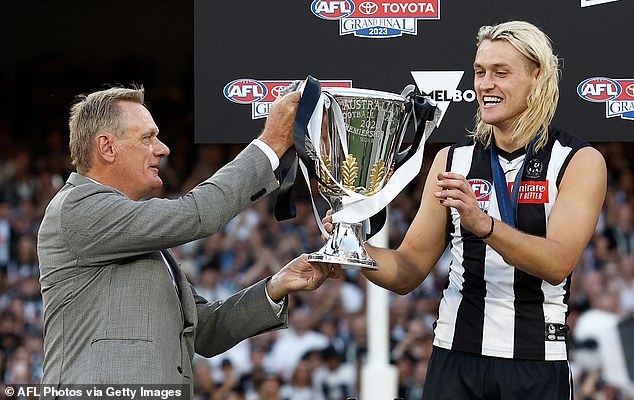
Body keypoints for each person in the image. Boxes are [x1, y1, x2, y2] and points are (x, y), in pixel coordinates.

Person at [324, 20, 607, 399]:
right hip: (455, 358)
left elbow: (558, 264)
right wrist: (354, 249)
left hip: (536, 363)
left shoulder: (578, 160)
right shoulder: (450, 161)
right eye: (479, 72)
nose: (485, 84)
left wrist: (483, 224)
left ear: (536, 77)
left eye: (500, 73)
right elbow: (407, 271)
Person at [36, 84, 339, 392]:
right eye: (147, 138)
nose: (163, 148)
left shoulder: (139, 239)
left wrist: (276, 286)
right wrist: (271, 144)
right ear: (107, 147)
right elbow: (197, 213)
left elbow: (205, 330)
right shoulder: (77, 206)